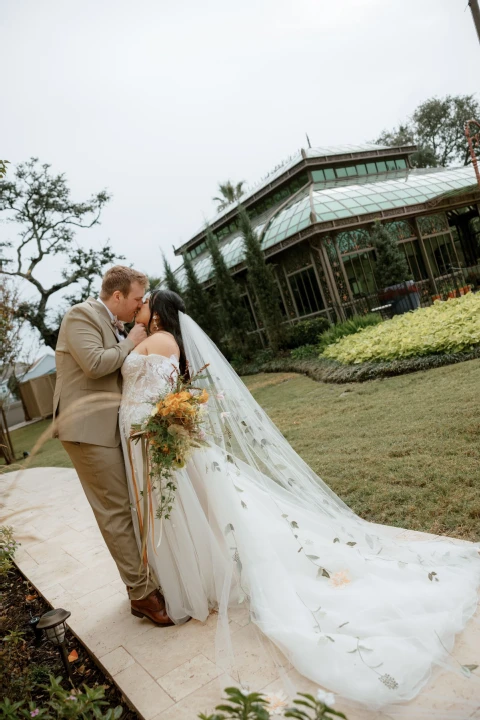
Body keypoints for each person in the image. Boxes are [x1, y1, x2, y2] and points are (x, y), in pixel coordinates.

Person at [118, 288, 480, 712]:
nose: (139, 308)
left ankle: (202, 581)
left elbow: (142, 381)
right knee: (204, 509)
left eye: (144, 303)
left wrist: (128, 340)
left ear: (157, 312)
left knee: (201, 509)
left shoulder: (157, 340)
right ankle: (204, 573)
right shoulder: (161, 339)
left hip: (155, 437)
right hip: (154, 440)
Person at [53, 266, 173, 625]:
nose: (139, 306)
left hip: (109, 427)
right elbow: (94, 365)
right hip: (87, 429)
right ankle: (142, 595)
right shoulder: (81, 315)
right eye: (136, 299)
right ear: (117, 296)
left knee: (128, 505)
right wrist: (131, 341)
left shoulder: (115, 323)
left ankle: (142, 583)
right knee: (115, 510)